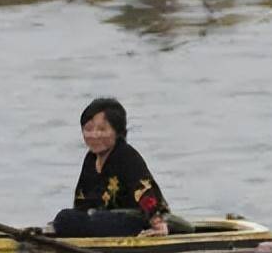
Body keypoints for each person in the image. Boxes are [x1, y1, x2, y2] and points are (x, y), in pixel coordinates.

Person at [51, 98, 183, 238]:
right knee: (65, 218)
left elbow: (144, 191)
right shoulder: (91, 159)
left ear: (117, 131)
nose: (94, 135)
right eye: (88, 129)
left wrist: (157, 223)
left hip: (132, 221)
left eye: (102, 129)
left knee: (79, 220)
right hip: (100, 220)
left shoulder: (126, 156)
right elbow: (82, 201)